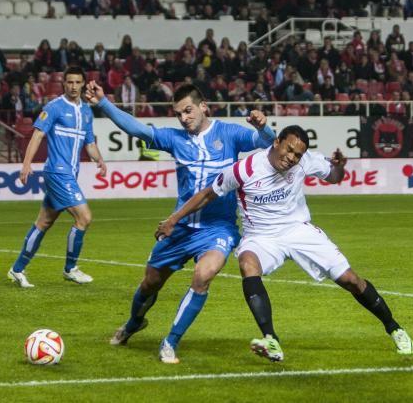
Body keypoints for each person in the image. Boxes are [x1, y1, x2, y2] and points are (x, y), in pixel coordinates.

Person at [156, 125, 413, 362]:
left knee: (351, 280)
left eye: (298, 155)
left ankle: (394, 328)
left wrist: (339, 166)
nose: (292, 158)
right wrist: (173, 220)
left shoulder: (306, 162)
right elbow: (206, 194)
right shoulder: (244, 169)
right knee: (248, 263)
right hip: (260, 237)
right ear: (277, 142)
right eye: (289, 149)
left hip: (298, 230)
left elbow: (334, 176)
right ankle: (271, 340)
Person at [84, 82, 276, 364]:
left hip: (217, 228)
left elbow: (267, 142)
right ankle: (135, 322)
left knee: (203, 275)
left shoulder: (229, 134)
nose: (184, 118)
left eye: (188, 111)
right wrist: (103, 103)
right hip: (180, 226)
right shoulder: (175, 139)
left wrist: (263, 127)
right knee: (150, 283)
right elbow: (137, 129)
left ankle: (170, 341)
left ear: (203, 107)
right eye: (178, 114)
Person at [7, 67, 107, 288]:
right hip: (57, 172)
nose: (73, 86)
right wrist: (26, 164)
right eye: (69, 82)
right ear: (64, 84)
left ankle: (17, 269)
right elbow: (38, 134)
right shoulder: (54, 107)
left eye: (77, 82)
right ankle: (70, 268)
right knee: (84, 217)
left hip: (70, 174)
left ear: (82, 84)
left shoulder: (87, 112)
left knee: (43, 222)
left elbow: (89, 143)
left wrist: (99, 160)